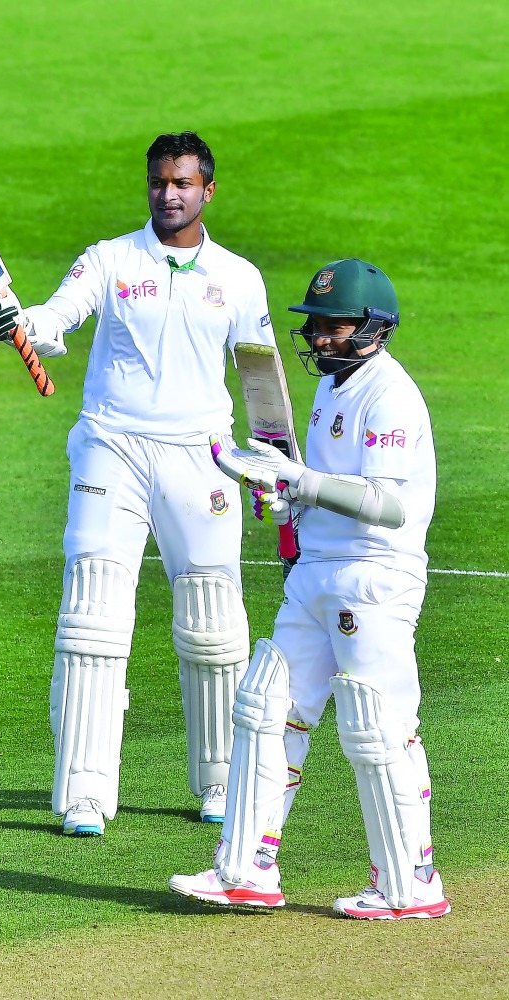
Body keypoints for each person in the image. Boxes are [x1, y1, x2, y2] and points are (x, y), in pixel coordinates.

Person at [0, 132, 278, 836]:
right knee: (93, 618)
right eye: (157, 181)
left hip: (201, 457)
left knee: (213, 624)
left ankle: (221, 782)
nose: (168, 193)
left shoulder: (238, 277)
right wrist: (16, 321)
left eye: (182, 182)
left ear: (207, 190)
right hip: (111, 446)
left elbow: (259, 381)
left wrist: (271, 465)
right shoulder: (110, 259)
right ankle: (84, 793)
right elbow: (56, 318)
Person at [169, 258, 452, 919]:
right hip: (317, 570)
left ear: (375, 329)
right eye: (315, 326)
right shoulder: (331, 388)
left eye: (334, 326)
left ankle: (410, 887)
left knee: (377, 727)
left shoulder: (390, 395)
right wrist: (281, 492)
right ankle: (245, 870)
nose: (320, 338)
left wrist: (299, 483)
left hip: (374, 576)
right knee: (266, 706)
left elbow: (386, 504)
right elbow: (319, 484)